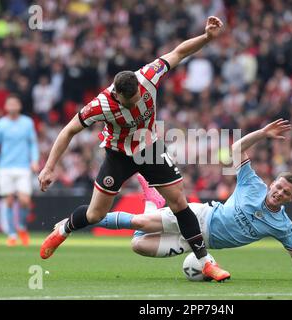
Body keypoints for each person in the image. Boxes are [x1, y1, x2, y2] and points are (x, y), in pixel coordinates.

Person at [38, 16, 230, 281]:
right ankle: (64, 228)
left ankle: (205, 261)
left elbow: (179, 52)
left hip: (149, 149)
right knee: (95, 214)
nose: (136, 103)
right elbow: (68, 130)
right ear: (117, 95)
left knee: (179, 202)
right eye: (130, 102)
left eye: (138, 98)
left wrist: (207, 37)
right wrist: (49, 167)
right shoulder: (100, 105)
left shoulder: (148, 76)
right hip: (118, 154)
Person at [96, 119, 292, 281]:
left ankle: (153, 201)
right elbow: (237, 147)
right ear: (272, 184)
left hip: (196, 244)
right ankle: (87, 218)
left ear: (291, 199)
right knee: (139, 223)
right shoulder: (253, 184)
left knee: (138, 245)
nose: (279, 192)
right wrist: (262, 134)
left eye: (285, 192)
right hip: (199, 217)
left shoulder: (283, 226)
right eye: (279, 186)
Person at [0, 94, 39, 246]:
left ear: (19, 106)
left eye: (15, 104)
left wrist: (34, 160)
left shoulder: (27, 123)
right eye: (10, 104)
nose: (12, 107)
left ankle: (21, 226)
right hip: (5, 167)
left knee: (25, 201)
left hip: (23, 167)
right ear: (6, 107)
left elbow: (33, 144)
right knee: (8, 201)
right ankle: (11, 234)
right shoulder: (0, 124)